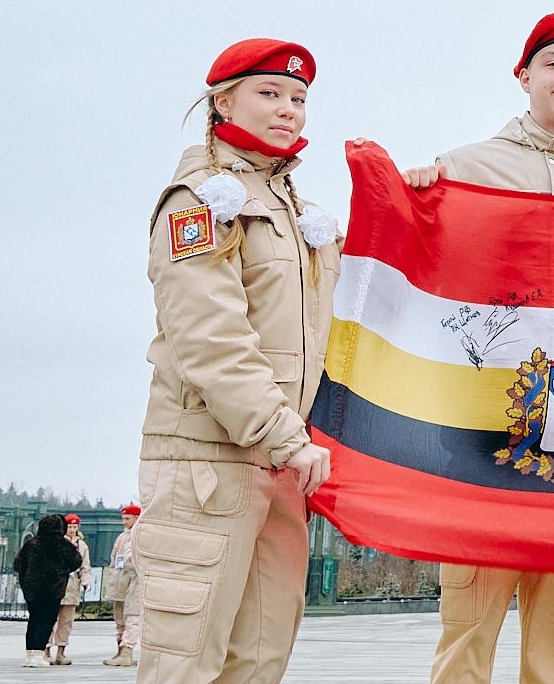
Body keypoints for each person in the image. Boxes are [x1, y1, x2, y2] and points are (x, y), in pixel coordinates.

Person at [410, 12, 554, 684]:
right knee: (469, 630)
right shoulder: (464, 170)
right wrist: (408, 203)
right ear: (524, 77)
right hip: (487, 427)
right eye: (552, 62)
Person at [135, 39, 342, 684]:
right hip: (209, 463)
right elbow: (211, 339)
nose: (289, 109)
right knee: (186, 663)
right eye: (270, 94)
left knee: (258, 662)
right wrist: (285, 437)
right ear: (223, 100)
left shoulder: (299, 214)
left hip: (282, 465)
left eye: (299, 99)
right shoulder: (198, 203)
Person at [15, 515, 83, 669]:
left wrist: (26, 579)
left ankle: (29, 655)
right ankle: (39, 654)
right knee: (46, 622)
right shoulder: (61, 544)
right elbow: (76, 561)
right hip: (53, 590)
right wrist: (62, 570)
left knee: (33, 621)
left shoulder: (30, 544)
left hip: (32, 590)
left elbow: (18, 564)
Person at [47, 513, 92, 664]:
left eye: (75, 526)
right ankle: (46, 650)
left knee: (66, 621)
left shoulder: (82, 546)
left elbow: (85, 566)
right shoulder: (56, 543)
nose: (72, 530)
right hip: (56, 584)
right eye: (69, 526)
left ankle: (61, 651)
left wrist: (86, 581)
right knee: (50, 619)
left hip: (72, 586)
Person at [103, 504, 142, 667]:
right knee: (119, 619)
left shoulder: (139, 535)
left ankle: (127, 650)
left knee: (133, 616)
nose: (124, 522)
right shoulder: (121, 537)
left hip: (135, 581)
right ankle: (119, 649)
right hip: (120, 582)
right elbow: (114, 560)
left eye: (128, 518)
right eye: (123, 519)